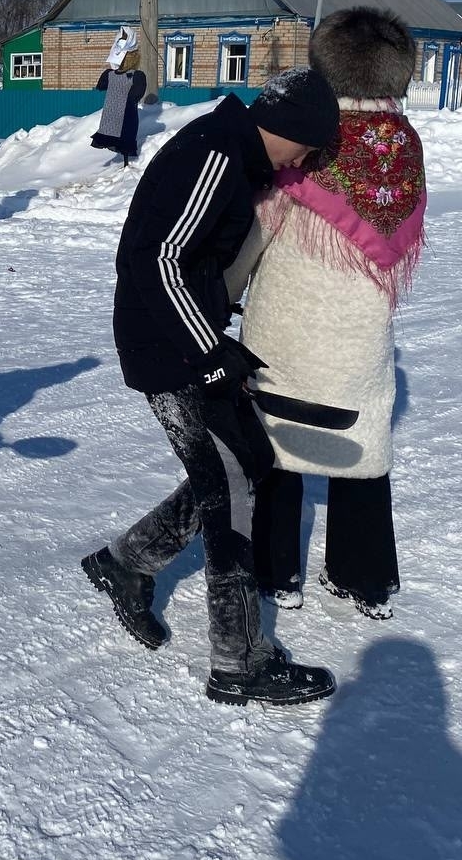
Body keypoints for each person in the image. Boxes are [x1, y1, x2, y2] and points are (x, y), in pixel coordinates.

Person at [81, 68, 341, 707]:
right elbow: (158, 258)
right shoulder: (218, 155)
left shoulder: (232, 154)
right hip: (169, 347)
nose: (307, 162)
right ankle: (239, 659)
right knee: (232, 487)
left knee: (242, 465)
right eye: (310, 148)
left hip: (181, 339)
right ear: (290, 131)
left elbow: (195, 259)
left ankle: (127, 562)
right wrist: (209, 351)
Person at [226, 8, 424, 621]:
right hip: (360, 329)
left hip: (289, 322)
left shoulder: (309, 136)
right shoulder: (405, 145)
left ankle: (276, 571)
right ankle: (364, 578)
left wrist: (226, 289)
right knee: (362, 447)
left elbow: (257, 228)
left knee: (278, 448)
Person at [90, 27, 148, 166]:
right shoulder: (113, 74)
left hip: (120, 116)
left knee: (124, 138)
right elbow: (102, 86)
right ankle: (125, 163)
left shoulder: (132, 76)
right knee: (119, 137)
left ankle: (126, 164)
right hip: (117, 115)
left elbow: (135, 96)